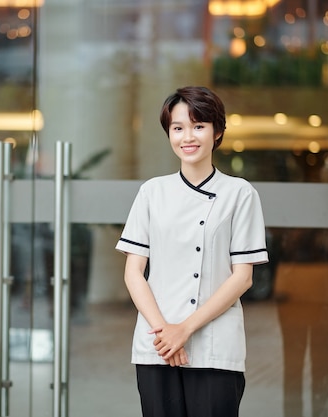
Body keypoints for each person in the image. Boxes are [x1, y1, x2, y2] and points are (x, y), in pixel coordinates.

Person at [115, 86, 269, 417]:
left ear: (217, 132)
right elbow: (133, 272)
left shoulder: (239, 193)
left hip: (216, 344)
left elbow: (242, 278)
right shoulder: (152, 192)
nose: (188, 136)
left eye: (198, 126)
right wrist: (165, 333)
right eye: (178, 127)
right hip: (157, 345)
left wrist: (183, 329)